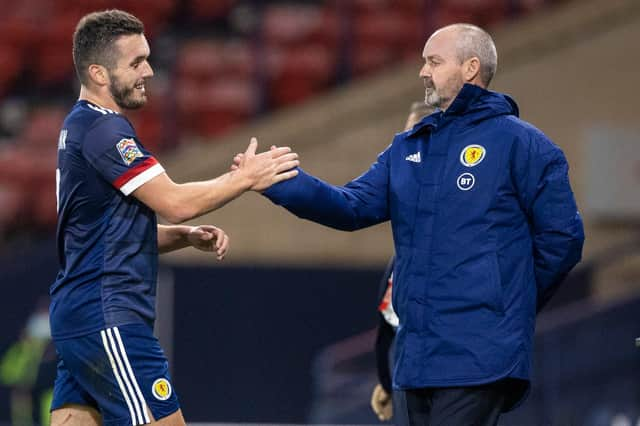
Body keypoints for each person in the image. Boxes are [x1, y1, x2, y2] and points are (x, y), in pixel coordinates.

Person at [253, 23, 585, 425]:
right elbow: (351, 206)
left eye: (433, 61)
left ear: (470, 68)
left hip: (480, 354)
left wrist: (508, 301)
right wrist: (283, 182)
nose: (422, 71)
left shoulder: (524, 145)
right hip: (417, 358)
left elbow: (563, 239)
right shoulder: (408, 148)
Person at [50, 9, 299, 426]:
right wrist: (246, 177)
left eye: (147, 57)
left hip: (81, 318)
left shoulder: (78, 126)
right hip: (109, 318)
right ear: (97, 73)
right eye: (135, 62)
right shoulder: (105, 131)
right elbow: (176, 201)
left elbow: (104, 235)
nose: (148, 70)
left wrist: (182, 237)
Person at [370, 101, 434, 423]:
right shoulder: (404, 256)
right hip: (409, 374)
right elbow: (389, 323)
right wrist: (385, 381)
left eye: (412, 133)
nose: (403, 141)